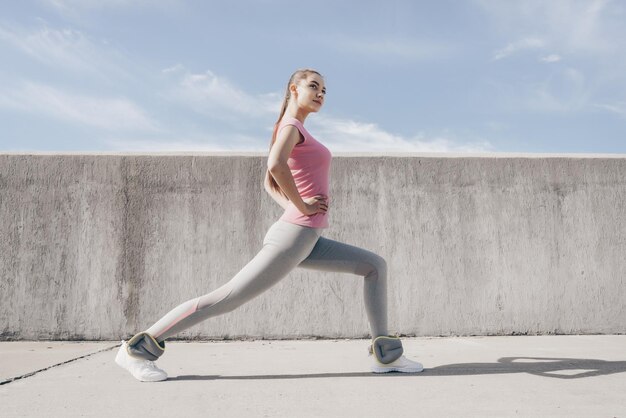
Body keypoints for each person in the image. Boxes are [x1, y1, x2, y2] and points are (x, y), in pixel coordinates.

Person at [115, 68, 424, 382]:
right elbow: (273, 167)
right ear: (294, 88)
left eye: (325, 91)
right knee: (226, 299)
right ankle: (135, 350)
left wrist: (295, 206)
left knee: (374, 266)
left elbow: (268, 184)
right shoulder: (290, 126)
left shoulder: (292, 127)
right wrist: (302, 207)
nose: (321, 94)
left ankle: (386, 357)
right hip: (293, 237)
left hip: (306, 237)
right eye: (314, 86)